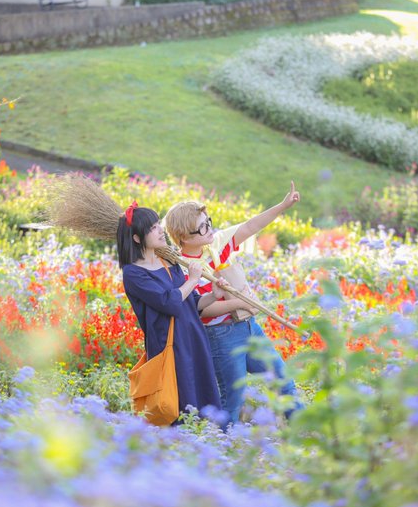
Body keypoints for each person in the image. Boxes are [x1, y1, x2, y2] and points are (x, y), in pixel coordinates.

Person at [46, 175, 223, 422]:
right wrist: (192, 279)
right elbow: (170, 302)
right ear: (137, 238)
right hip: (170, 346)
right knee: (179, 404)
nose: (161, 230)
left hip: (193, 338)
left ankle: (209, 441)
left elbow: (191, 303)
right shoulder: (134, 274)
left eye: (158, 224)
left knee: (205, 400)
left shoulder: (167, 260)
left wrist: (213, 295)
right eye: (153, 228)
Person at [164, 181, 304, 425]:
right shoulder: (183, 269)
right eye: (202, 227)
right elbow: (202, 310)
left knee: (283, 381)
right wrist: (238, 302)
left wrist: (282, 206)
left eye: (208, 222)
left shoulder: (216, 245)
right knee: (232, 400)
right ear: (184, 237)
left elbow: (250, 226)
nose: (209, 229)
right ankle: (221, 444)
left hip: (249, 327)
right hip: (221, 335)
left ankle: (303, 429)